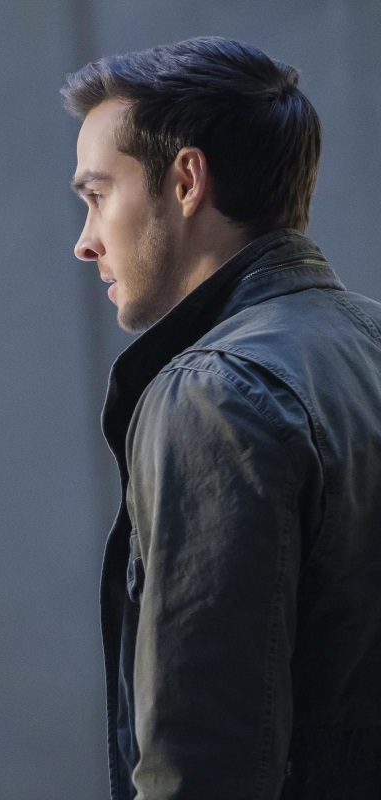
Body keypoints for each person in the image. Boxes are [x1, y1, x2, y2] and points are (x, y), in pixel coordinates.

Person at [64, 38, 381, 798]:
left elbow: (202, 763)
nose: (85, 242)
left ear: (185, 182)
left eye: (98, 195)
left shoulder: (215, 394)